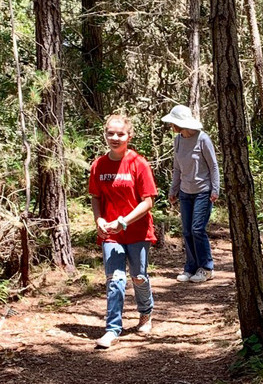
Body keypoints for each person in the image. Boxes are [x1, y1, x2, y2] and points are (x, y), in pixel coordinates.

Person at [88, 114, 158, 348]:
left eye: (120, 134)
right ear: (105, 134)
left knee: (138, 276)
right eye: (111, 133)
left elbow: (148, 201)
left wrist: (124, 221)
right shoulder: (99, 165)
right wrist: (99, 220)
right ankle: (112, 329)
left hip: (137, 231)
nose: (115, 138)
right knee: (115, 280)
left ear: (129, 136)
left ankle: (146, 311)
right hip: (111, 234)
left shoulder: (139, 163)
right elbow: (95, 197)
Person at [161, 105, 220, 283]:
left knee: (197, 229)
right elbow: (177, 168)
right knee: (187, 231)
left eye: (173, 123)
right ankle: (191, 267)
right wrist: (173, 190)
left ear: (181, 123)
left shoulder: (203, 139)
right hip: (185, 192)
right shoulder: (178, 140)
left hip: (203, 191)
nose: (171, 126)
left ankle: (206, 267)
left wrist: (215, 189)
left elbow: (213, 166)